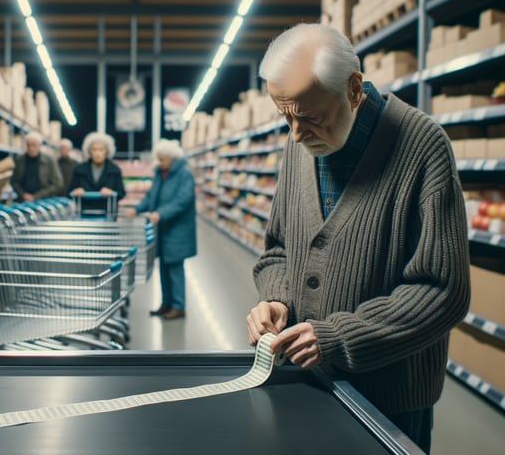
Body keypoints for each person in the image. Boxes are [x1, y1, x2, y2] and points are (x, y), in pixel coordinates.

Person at [245, 24, 470, 453]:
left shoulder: (423, 148)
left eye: (309, 117)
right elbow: (277, 249)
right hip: (305, 381)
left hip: (390, 397)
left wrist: (340, 337)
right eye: (285, 116)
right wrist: (276, 299)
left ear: (352, 89)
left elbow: (443, 291)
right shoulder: (300, 144)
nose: (295, 134)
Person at [127, 139, 196, 320]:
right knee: (164, 267)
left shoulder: (184, 174)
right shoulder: (160, 173)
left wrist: (161, 213)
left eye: (163, 159)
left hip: (177, 229)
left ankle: (179, 306)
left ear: (173, 158)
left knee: (175, 268)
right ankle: (166, 304)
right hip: (163, 229)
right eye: (158, 159)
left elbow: (183, 200)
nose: (160, 162)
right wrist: (138, 208)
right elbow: (152, 196)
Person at [68, 132, 127, 217]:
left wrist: (112, 192)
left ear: (107, 152)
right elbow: (69, 192)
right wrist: (76, 192)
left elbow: (121, 193)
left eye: (101, 149)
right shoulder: (79, 170)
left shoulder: (115, 170)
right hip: (84, 214)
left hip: (108, 214)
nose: (98, 153)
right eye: (94, 149)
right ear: (89, 151)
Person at [11, 131, 63, 202]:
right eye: (28, 145)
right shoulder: (19, 160)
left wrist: (37, 196)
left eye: (33, 145)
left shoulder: (49, 161)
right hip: (23, 201)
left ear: (39, 145)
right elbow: (14, 181)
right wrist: (23, 194)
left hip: (43, 202)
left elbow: (57, 184)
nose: (31, 148)